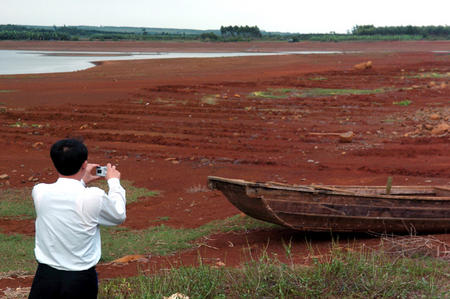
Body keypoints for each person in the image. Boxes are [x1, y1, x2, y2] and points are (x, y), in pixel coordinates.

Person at [28, 138, 126, 299]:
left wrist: (81, 180)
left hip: (45, 277)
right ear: (84, 164)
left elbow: (67, 195)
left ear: (55, 163)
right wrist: (114, 182)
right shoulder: (93, 196)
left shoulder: (39, 192)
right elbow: (118, 215)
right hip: (80, 280)